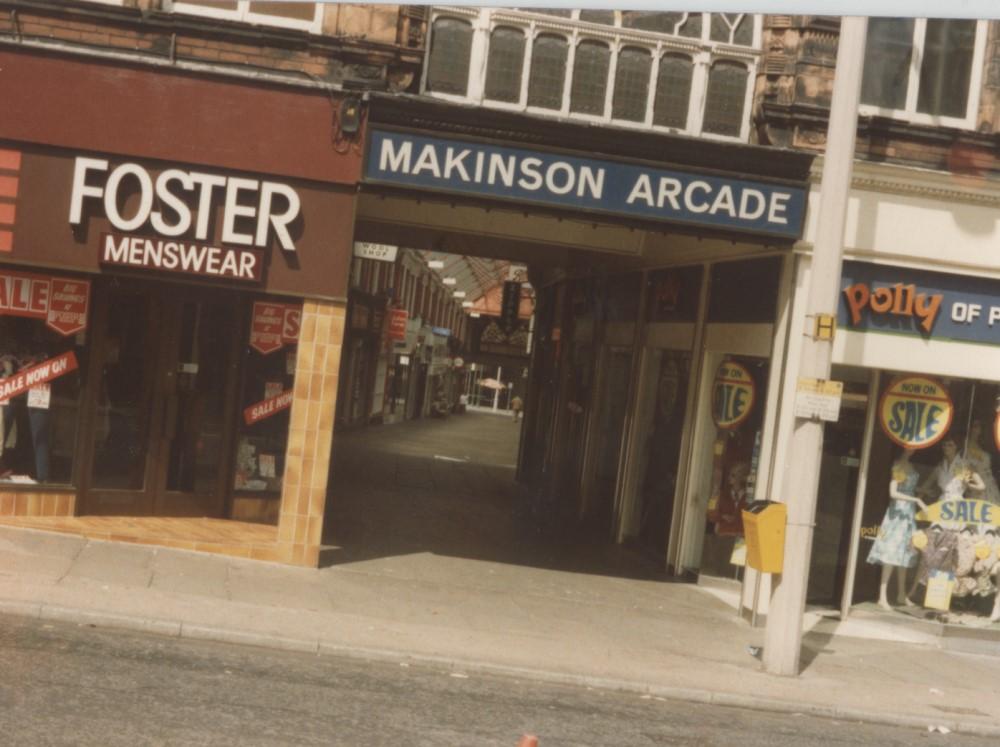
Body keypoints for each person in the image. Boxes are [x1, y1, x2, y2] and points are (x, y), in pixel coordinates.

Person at [867, 447, 926, 610]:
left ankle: (901, 594)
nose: (911, 450)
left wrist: (921, 492)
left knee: (905, 552)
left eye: (913, 447)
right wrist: (915, 499)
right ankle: (882, 596)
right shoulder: (898, 465)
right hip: (897, 513)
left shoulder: (910, 466)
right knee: (891, 551)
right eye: (908, 446)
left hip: (907, 513)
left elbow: (908, 487)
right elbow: (893, 492)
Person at [963, 420, 1000, 504]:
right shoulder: (966, 446)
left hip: (990, 484)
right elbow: (966, 467)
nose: (977, 429)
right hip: (978, 484)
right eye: (975, 426)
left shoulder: (982, 445)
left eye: (979, 426)